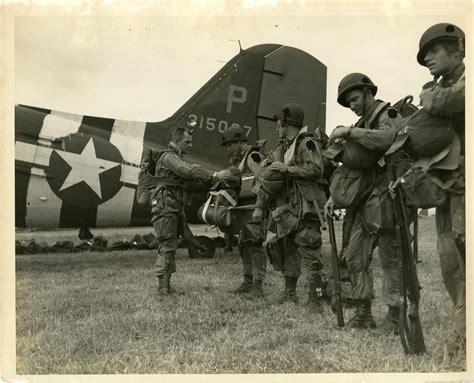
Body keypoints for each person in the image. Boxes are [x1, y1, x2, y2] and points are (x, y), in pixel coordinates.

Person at [325, 73, 402, 330]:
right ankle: (363, 313)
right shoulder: (362, 122)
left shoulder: (388, 115)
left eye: (356, 99)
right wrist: (332, 197)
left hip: (389, 193)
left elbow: (388, 139)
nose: (353, 106)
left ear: (369, 93)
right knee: (356, 255)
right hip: (363, 197)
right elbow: (352, 166)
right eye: (349, 103)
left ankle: (395, 314)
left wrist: (349, 131)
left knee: (391, 256)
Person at [409, 23, 465, 351]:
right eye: (425, 54)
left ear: (458, 49)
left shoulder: (458, 84)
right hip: (449, 189)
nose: (428, 58)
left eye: (435, 50)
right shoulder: (442, 86)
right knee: (450, 264)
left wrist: (429, 95)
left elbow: (451, 100)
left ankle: (462, 342)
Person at [255, 103, 327, 312]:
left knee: (309, 249)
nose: (277, 126)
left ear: (287, 122)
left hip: (306, 204)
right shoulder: (284, 147)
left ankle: (316, 299)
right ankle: (289, 293)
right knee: (287, 248)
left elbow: (316, 169)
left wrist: (287, 169)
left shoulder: (307, 143)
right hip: (288, 207)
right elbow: (267, 167)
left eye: (279, 122)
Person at [150, 126, 233, 295]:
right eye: (187, 142)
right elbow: (187, 171)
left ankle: (166, 287)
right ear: (177, 141)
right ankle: (163, 289)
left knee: (171, 245)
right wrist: (215, 175)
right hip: (166, 207)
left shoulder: (175, 158)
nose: (190, 145)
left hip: (172, 207)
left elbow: (188, 183)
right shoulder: (169, 158)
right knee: (167, 246)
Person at [221, 125, 268, 299]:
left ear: (240, 141)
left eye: (230, 144)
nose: (228, 148)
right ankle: (247, 282)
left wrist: (259, 207)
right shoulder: (238, 159)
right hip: (243, 208)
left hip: (253, 208)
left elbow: (263, 181)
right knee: (244, 245)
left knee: (255, 246)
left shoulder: (253, 156)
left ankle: (258, 286)